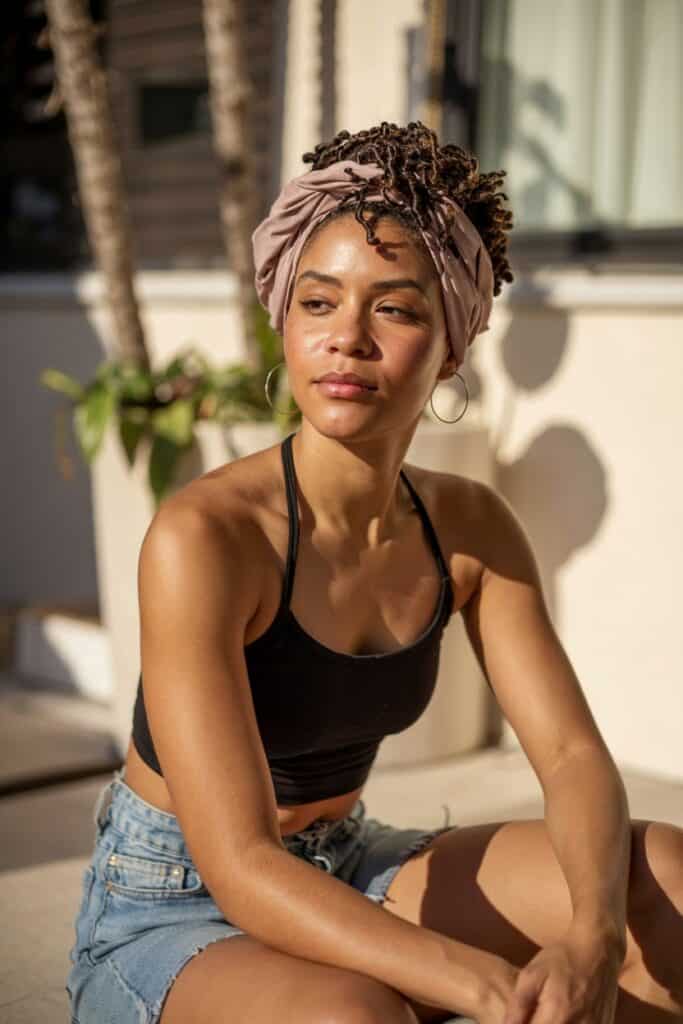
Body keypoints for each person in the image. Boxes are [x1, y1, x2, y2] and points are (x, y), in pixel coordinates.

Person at [67, 121, 683, 1024]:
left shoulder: (470, 527)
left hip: (354, 862)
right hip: (172, 905)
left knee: (659, 880)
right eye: (317, 304)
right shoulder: (205, 535)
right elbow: (238, 865)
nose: (346, 338)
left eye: (394, 309)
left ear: (452, 346)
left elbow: (571, 754)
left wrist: (589, 935)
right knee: (355, 1016)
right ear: (284, 319)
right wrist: (482, 985)